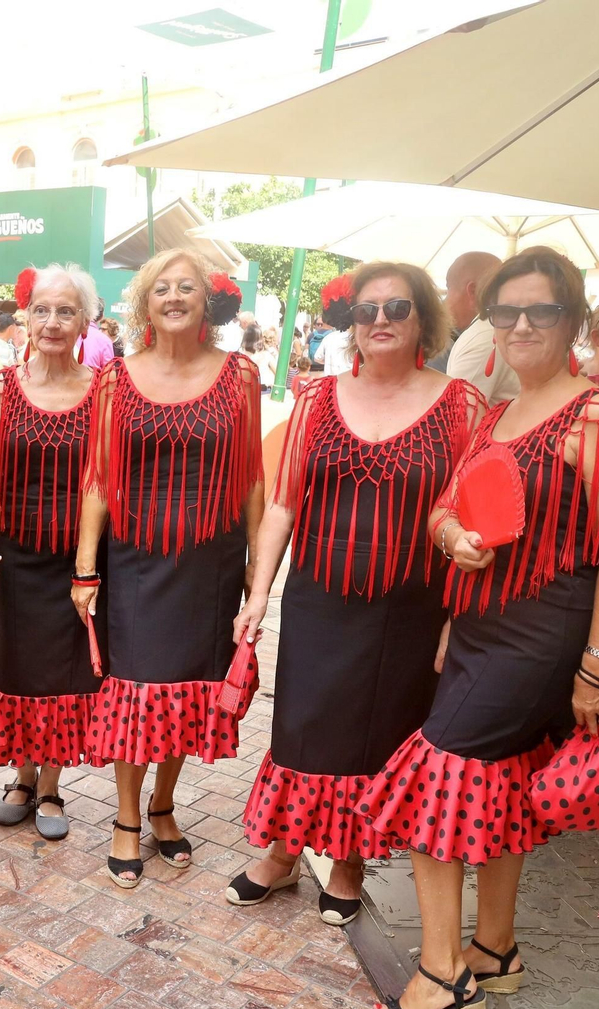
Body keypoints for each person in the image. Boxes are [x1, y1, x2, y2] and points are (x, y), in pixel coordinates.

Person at [358, 247, 599, 1009]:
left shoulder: (598, 414)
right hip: (483, 625)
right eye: (506, 311)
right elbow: (445, 508)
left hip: (546, 632)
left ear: (572, 319)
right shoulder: (494, 412)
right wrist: (453, 538)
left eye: (541, 311)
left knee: (440, 780)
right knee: (504, 781)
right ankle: (494, 947)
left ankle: (444, 976)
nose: (521, 325)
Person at [233, 262, 482, 925]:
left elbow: (468, 513)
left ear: (422, 320)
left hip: (410, 608)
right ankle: (284, 854)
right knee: (302, 729)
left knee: (379, 736)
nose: (379, 320)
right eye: (366, 310)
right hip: (319, 598)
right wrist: (259, 593)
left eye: (396, 308)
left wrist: (460, 616)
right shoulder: (316, 399)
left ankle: (347, 864)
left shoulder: (460, 404)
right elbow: (283, 504)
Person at [72, 249, 263, 888]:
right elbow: (97, 478)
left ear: (206, 303)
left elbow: (253, 481)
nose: (174, 297)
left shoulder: (240, 375)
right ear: (145, 304)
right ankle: (128, 815)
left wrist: (255, 575)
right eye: (162, 289)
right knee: (135, 689)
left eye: (187, 288)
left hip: (211, 558)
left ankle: (163, 805)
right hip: (136, 558)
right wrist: (85, 567)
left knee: (184, 691)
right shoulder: (115, 379)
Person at [0, 265, 103, 840]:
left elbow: (105, 481)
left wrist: (88, 566)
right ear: (25, 316)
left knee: (65, 677)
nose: (52, 322)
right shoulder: (0, 388)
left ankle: (50, 786)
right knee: (15, 669)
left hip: (78, 559)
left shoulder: (105, 391)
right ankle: (21, 777)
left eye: (66, 311)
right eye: (42, 310)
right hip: (15, 558)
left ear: (85, 320)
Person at [442, 251, 514, 404]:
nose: (445, 303)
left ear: (472, 291)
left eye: (449, 290)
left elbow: (454, 415)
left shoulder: (485, 338)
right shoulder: (493, 330)